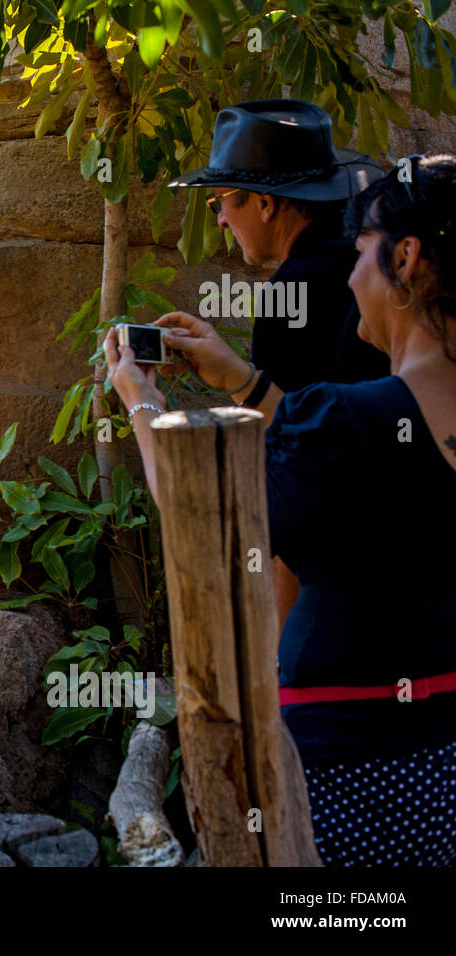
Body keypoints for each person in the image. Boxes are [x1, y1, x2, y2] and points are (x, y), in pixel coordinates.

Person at [105, 154, 456, 867]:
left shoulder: (350, 422)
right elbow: (363, 452)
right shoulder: (366, 421)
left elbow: (205, 536)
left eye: (361, 254)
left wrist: (141, 401)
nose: (352, 277)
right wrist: (243, 379)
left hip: (346, 772)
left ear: (407, 257)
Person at [164, 99, 389, 628]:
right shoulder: (362, 266)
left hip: (337, 595)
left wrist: (281, 657)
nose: (218, 218)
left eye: (221, 200)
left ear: (265, 204)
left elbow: (296, 467)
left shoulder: (297, 287)